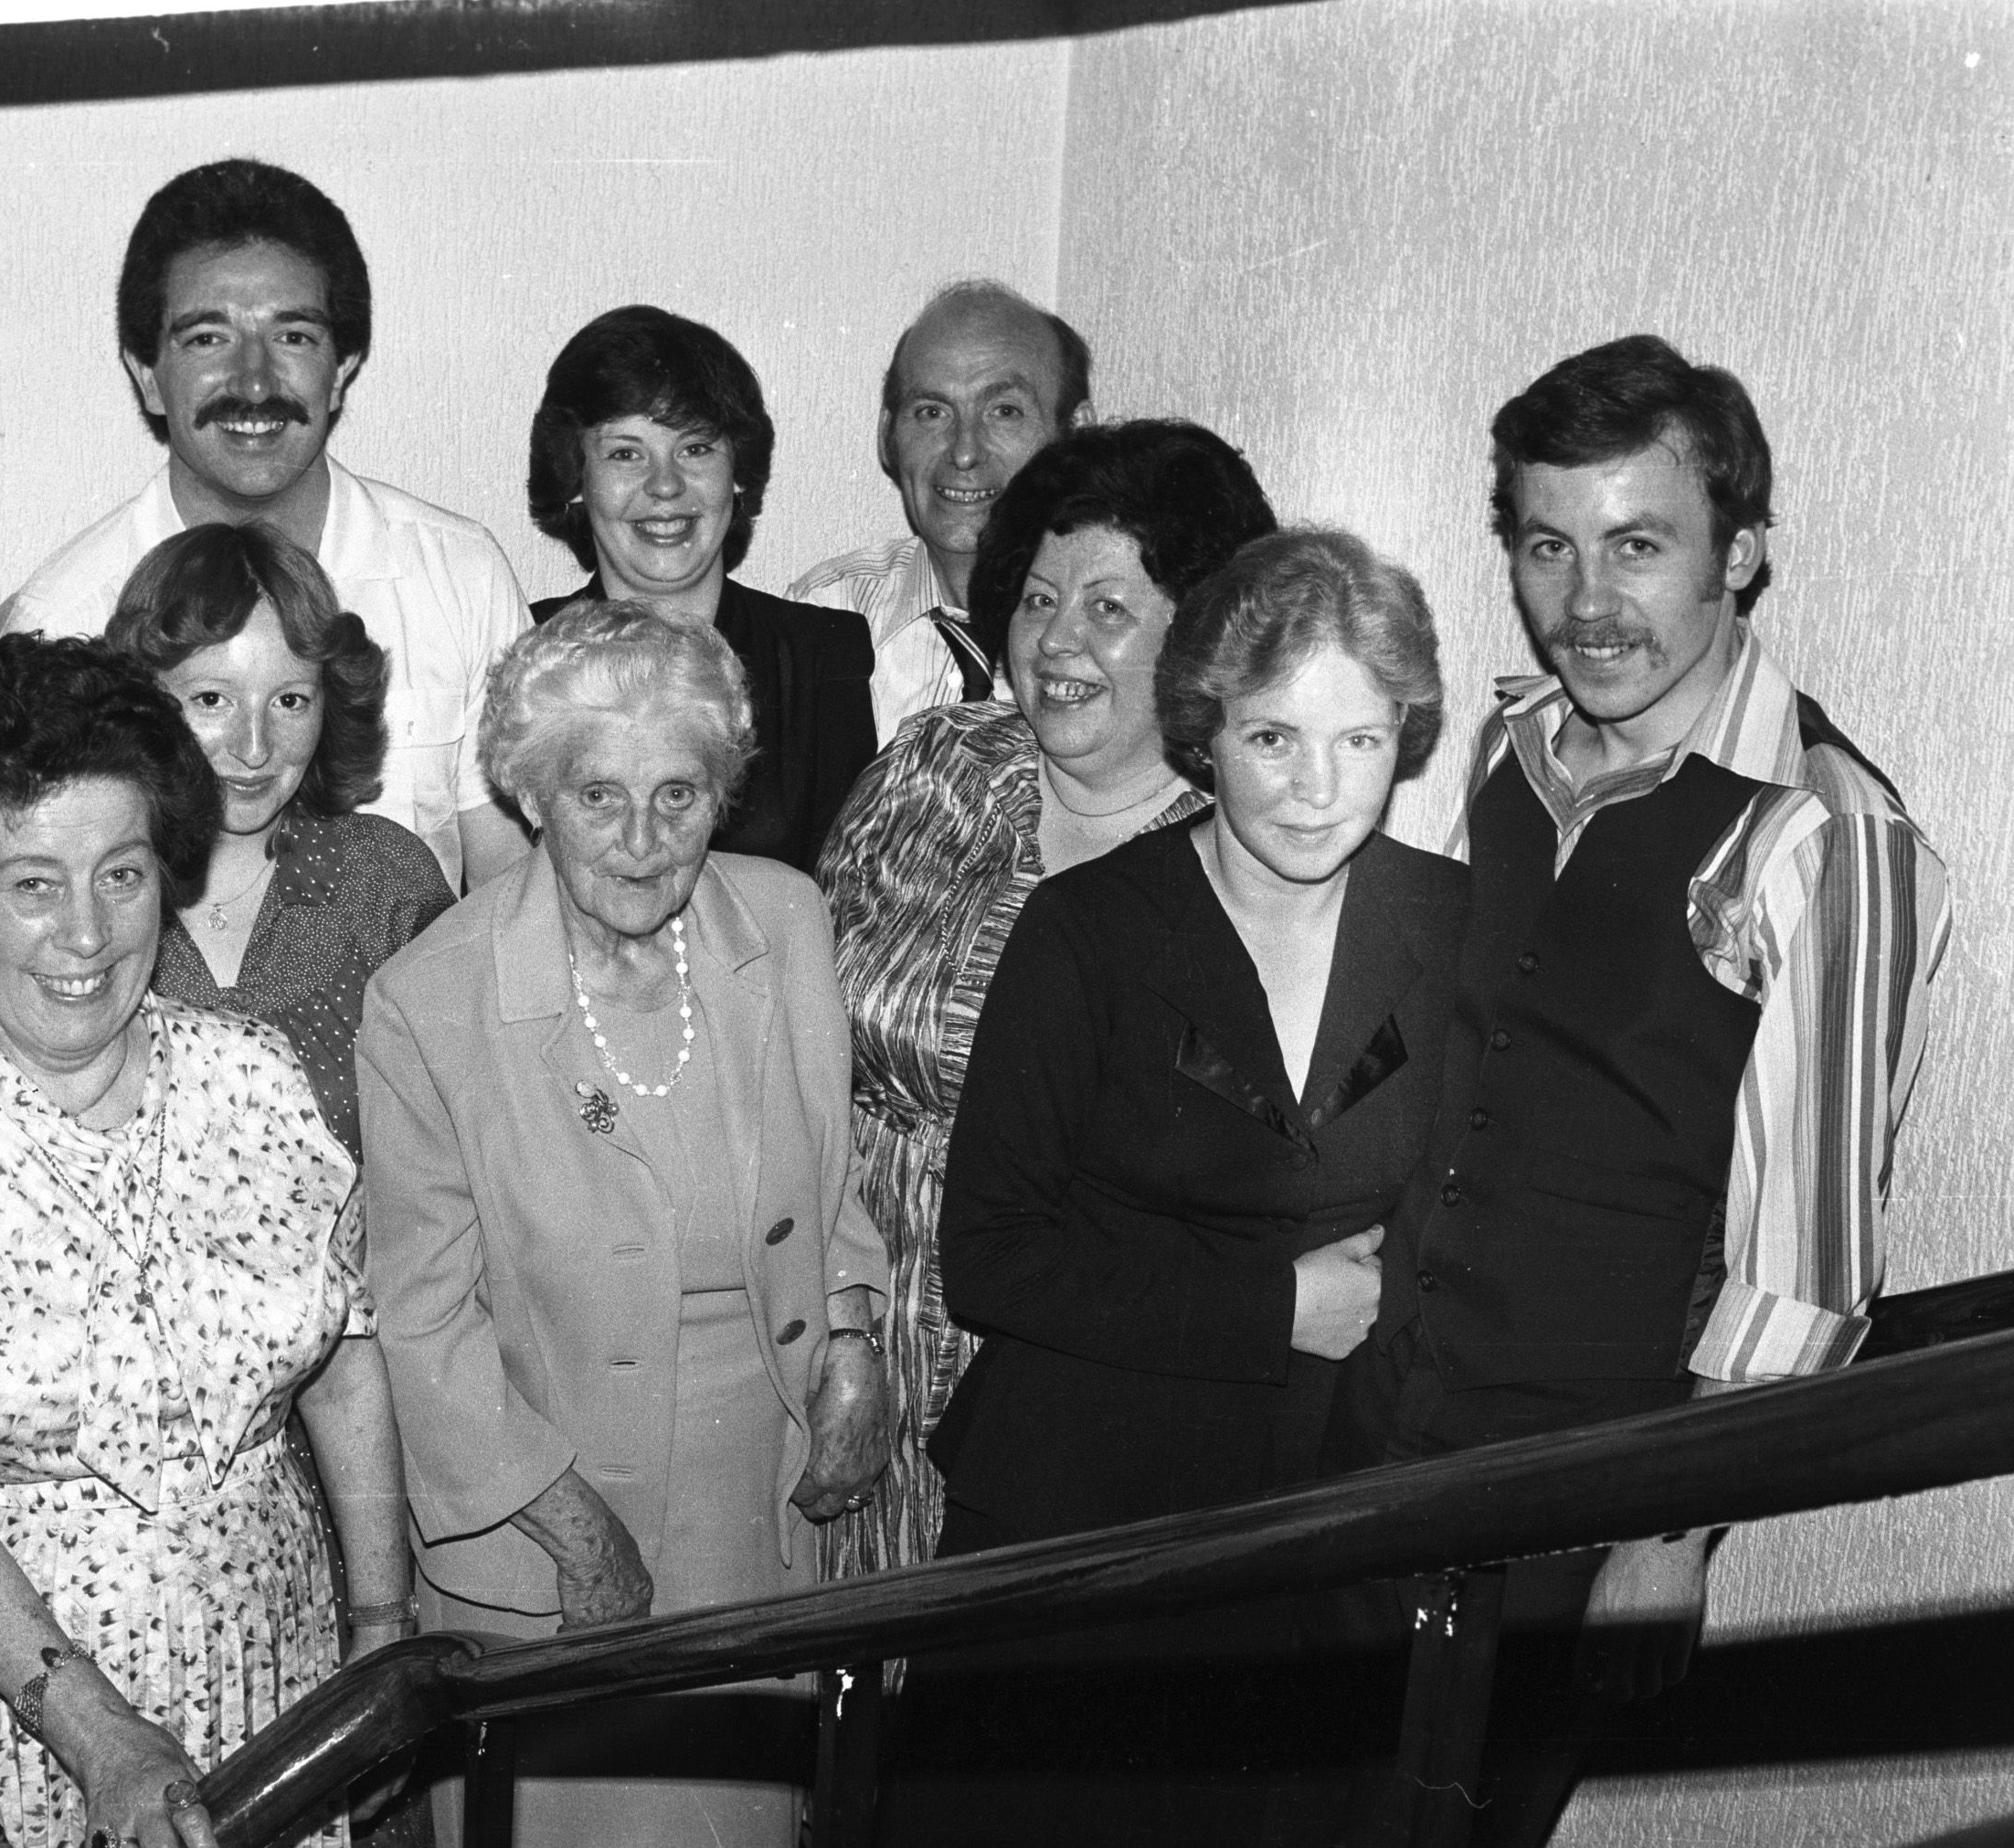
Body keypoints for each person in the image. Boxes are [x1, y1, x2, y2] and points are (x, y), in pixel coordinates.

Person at [1327, 335, 1953, 1846]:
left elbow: (1805, 1264)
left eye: (1636, 544)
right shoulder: (1505, 744)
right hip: (1379, 1426)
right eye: (1547, 544)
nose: (1586, 599)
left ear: (1737, 555)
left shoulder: (1826, 834)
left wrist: (1662, 1537)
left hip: (1581, 1485)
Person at [885, 529, 1466, 1843]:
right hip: (1083, 1513)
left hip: (1323, 1530)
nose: (1318, 789)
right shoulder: (1087, 929)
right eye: (1274, 740)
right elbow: (990, 1251)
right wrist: (1272, 1304)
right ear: (1207, 728)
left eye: (1359, 741)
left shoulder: (1448, 926)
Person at [0, 635, 410, 1848]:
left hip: (273, 1683)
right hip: (16, 1723)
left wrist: (377, 1629)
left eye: (121, 874)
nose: (86, 932)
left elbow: (343, 1351)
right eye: (32, 883)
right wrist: (100, 1735)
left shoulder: (253, 1074)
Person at [357, 601, 892, 1848]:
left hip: (758, 1506)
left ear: (726, 793)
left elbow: (833, 1180)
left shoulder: (786, 921)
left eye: (680, 795)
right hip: (549, 1535)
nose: (643, 842)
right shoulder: (430, 1002)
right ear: (534, 796)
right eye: (599, 797)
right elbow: (423, 1321)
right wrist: (571, 1524)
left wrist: (855, 1342)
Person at [814, 419, 1277, 1578]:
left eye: (1108, 609)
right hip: (840, 1343)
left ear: (1207, 636)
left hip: (1070, 1395)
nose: (1055, 641)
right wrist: (835, 1323)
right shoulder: (934, 770)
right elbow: (789, 1057)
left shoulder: (1249, 863)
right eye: (1035, 598)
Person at [0, 157, 527, 893]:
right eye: (207, 339)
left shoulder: (459, 574)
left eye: (293, 337)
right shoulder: (59, 621)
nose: (253, 382)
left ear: (342, 368)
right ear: (146, 374)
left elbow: (512, 892)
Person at [107, 522, 452, 1158]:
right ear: (142, 701)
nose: (255, 747)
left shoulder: (385, 883)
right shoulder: (89, 885)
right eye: (212, 699)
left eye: (290, 701)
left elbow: (468, 1140)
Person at [526, 304, 876, 873]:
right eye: (624, 453)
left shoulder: (822, 654)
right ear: (575, 479)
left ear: (737, 471)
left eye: (695, 448)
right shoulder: (522, 647)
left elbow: (843, 897)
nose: (665, 485)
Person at [789, 281, 1096, 739]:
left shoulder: (1119, 644)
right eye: (932, 412)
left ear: (1077, 436)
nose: (964, 452)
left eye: (1005, 411)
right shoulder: (821, 616)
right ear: (887, 435)